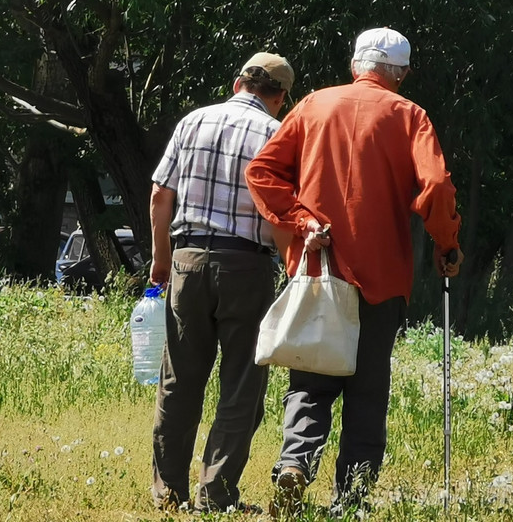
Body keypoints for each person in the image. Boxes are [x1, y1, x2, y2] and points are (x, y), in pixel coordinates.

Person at [244, 27, 463, 517]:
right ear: (400, 73)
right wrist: (447, 243)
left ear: (355, 66)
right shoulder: (410, 116)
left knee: (311, 378)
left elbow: (261, 171)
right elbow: (436, 189)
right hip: (382, 279)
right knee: (367, 391)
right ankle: (352, 498)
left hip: (320, 268)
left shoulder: (313, 105)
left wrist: (301, 220)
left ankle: (295, 464)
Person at [148, 52, 295, 513]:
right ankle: (216, 493)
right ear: (281, 98)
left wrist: (161, 260)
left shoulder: (193, 121)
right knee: (241, 385)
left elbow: (159, 195)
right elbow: (279, 213)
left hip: (187, 259)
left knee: (179, 380)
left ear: (238, 84)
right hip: (246, 265)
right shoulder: (277, 133)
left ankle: (169, 493)